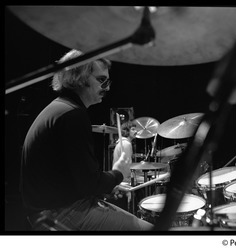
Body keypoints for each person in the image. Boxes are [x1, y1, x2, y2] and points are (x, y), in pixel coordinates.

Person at [20, 49, 153, 231]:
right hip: (58, 214)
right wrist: (118, 173)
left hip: (49, 210)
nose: (107, 87)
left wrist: (108, 181)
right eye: (100, 80)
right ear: (79, 78)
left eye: (107, 80)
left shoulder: (60, 109)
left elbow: (79, 181)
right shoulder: (72, 115)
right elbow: (90, 184)